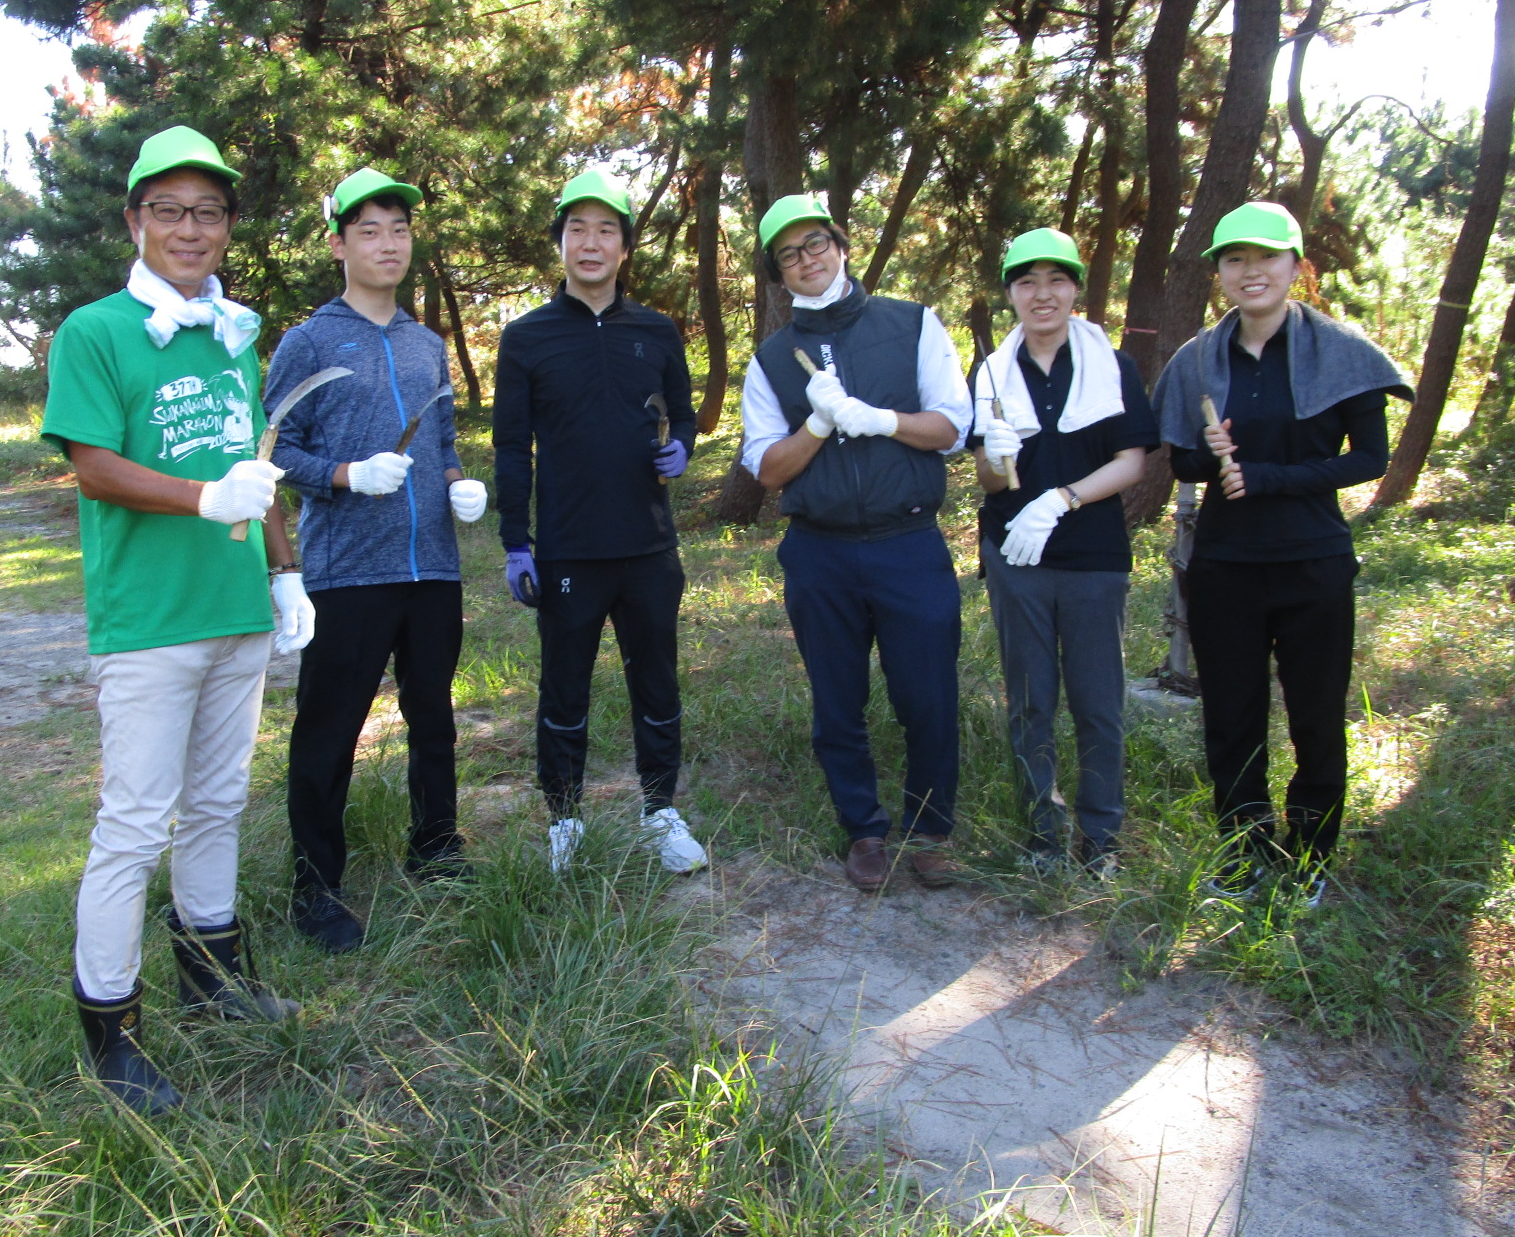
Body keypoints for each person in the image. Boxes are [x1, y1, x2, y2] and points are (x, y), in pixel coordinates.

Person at [40, 125, 315, 1117]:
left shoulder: (236, 336)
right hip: (149, 621)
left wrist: (283, 570)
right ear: (135, 221)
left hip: (235, 607)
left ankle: (213, 977)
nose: (189, 230)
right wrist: (203, 503)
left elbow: (256, 465)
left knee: (213, 808)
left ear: (227, 228)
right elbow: (93, 466)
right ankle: (110, 1030)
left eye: (208, 213)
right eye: (169, 211)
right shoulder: (96, 331)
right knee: (132, 826)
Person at [1154, 202, 1412, 908]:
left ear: (1296, 266)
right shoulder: (1197, 359)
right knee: (1231, 717)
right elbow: (1180, 463)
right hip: (1225, 566)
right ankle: (1244, 851)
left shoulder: (1344, 350)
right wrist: (1208, 456)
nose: (1250, 272)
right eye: (1234, 260)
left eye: (1266, 257)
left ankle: (1312, 856)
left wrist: (1268, 477)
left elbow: (1371, 458)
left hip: (1313, 563)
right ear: (1220, 275)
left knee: (1315, 716)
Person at [263, 167, 488, 954]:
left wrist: (459, 484)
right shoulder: (310, 341)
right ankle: (316, 888)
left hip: (432, 568)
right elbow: (271, 452)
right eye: (369, 231)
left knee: (435, 719)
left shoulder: (427, 345)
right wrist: (342, 475)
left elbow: (445, 441)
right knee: (329, 730)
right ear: (338, 244)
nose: (388, 244)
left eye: (398, 229)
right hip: (347, 571)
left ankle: (436, 848)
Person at [740, 193, 973, 892]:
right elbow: (767, 470)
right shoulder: (773, 360)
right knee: (837, 699)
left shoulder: (910, 324)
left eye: (816, 244)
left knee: (927, 694)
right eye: (789, 253)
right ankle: (864, 829)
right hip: (821, 552)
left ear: (841, 247)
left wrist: (878, 419)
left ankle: (931, 830)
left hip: (910, 542)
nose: (806, 260)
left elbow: (953, 428)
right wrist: (815, 427)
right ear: (778, 275)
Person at [493, 167, 708, 875]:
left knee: (657, 683)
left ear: (624, 247)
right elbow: (509, 446)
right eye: (577, 229)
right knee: (564, 690)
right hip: (566, 551)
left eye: (606, 230)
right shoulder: (527, 338)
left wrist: (681, 443)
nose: (591, 242)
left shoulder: (656, 329)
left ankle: (661, 812)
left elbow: (684, 410)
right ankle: (566, 821)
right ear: (560, 244)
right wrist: (516, 544)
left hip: (648, 546)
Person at [969, 228, 1155, 879]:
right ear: (1011, 294)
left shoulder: (1114, 366)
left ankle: (1101, 838)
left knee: (1098, 702)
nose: (1041, 294)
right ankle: (1044, 836)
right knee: (1029, 700)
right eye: (1026, 281)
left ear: (1076, 288)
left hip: (1094, 557)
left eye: (1055, 280)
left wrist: (1062, 499)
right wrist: (995, 456)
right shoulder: (991, 372)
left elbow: (1132, 459)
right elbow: (991, 483)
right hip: (1016, 559)